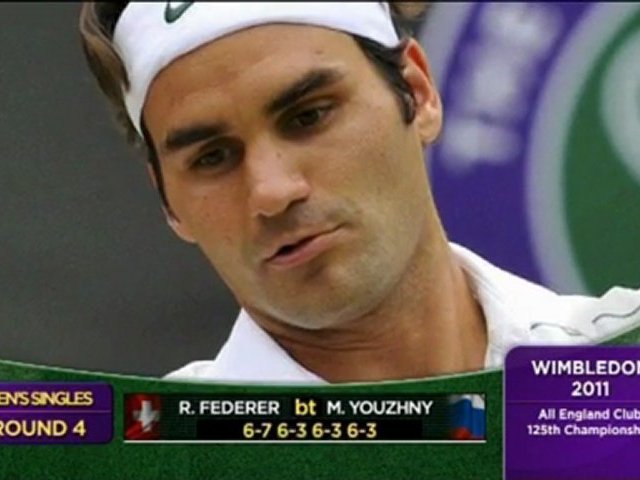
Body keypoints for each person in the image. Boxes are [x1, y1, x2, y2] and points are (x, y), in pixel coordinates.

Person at [78, 2, 640, 384]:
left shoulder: (622, 375)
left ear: (418, 93)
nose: (272, 191)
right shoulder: (156, 457)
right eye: (212, 157)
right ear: (168, 201)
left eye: (308, 116)